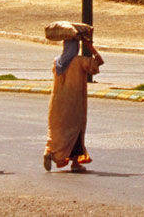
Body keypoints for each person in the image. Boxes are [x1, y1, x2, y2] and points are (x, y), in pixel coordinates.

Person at [43, 36, 104, 173]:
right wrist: (89, 46)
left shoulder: (56, 61)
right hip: (74, 103)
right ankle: (75, 163)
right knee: (75, 130)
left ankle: (50, 152)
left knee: (58, 131)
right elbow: (99, 62)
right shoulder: (79, 61)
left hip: (57, 103)